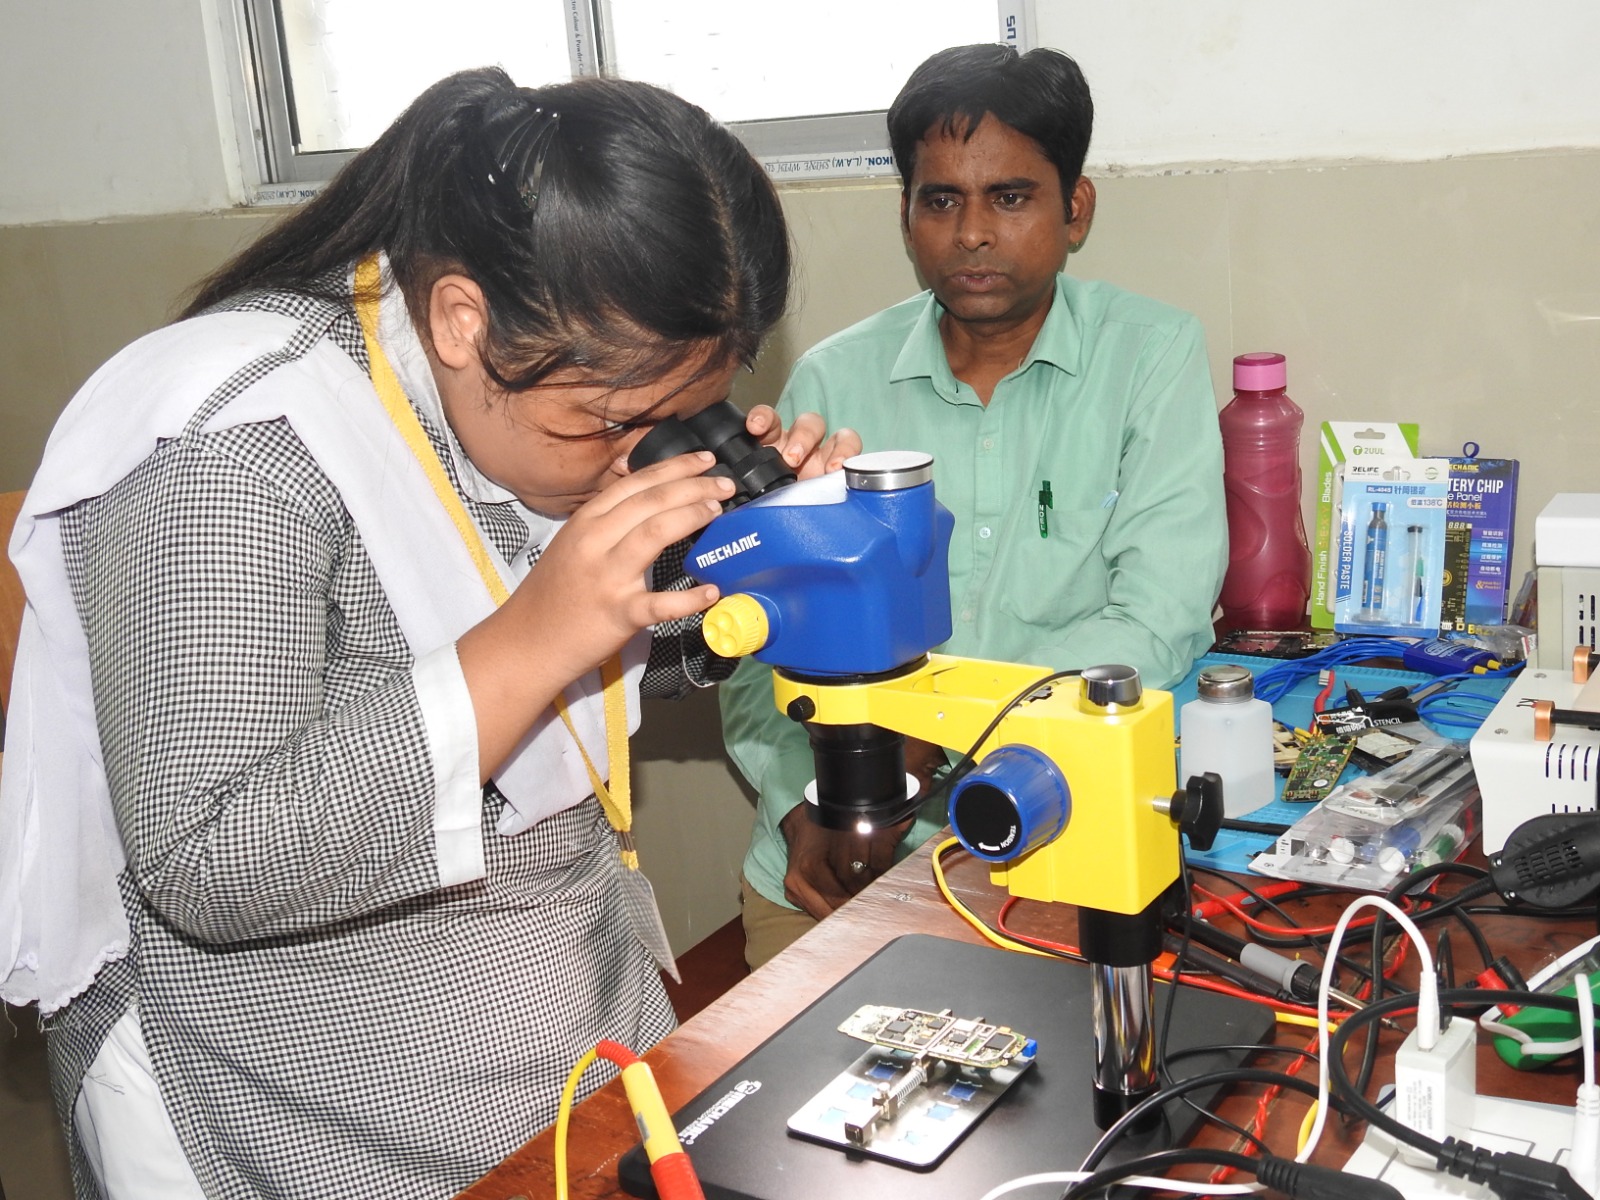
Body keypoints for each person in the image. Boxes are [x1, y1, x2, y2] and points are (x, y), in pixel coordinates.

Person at [0, 68, 856, 1199]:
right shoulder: (228, 446)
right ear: (461, 319)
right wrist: (535, 636)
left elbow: (541, 674)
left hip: (572, 1039)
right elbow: (204, 861)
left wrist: (739, 573)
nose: (631, 457)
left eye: (674, 418)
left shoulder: (502, 394)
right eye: (611, 425)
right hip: (310, 1109)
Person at [722, 43, 1227, 970]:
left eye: (1011, 196)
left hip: (1054, 863)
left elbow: (1157, 625)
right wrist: (807, 805)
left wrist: (925, 740)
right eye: (940, 199)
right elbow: (755, 639)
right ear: (906, 214)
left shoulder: (1150, 358)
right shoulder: (834, 379)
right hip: (829, 870)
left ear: (1074, 210)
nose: (971, 233)